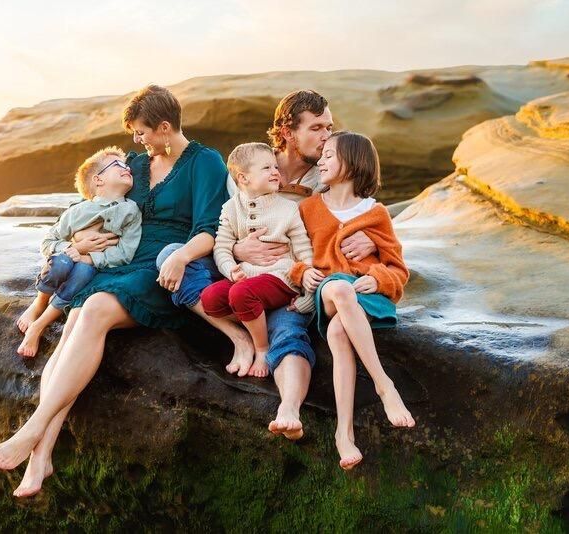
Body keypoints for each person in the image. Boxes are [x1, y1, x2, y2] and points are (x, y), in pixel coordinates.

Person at [0, 85, 229, 498]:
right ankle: (41, 453)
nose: (138, 142)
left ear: (165, 127)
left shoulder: (205, 164)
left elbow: (210, 228)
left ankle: (32, 429)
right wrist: (75, 246)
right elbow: (95, 204)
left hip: (163, 264)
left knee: (94, 308)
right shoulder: (134, 163)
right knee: (75, 319)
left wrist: (181, 256)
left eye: (142, 133)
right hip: (119, 258)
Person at [158, 90, 380, 441]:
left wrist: (373, 240)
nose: (327, 137)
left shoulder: (328, 172)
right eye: (318, 128)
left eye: (330, 128)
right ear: (289, 132)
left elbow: (364, 209)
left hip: (285, 280)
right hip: (237, 270)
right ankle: (238, 335)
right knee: (171, 254)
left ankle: (288, 409)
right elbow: (218, 225)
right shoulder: (249, 164)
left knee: (289, 331)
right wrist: (236, 252)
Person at [300, 131, 415, 470]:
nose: (320, 160)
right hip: (328, 289)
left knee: (338, 334)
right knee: (339, 289)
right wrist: (300, 273)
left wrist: (376, 277)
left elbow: (398, 269)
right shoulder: (308, 208)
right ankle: (384, 384)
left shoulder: (376, 213)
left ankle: (343, 434)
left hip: (364, 295)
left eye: (329, 155)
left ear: (352, 163)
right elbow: (295, 254)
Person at [200, 142, 315, 378]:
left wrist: (308, 295)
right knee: (209, 299)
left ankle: (262, 348)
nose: (275, 171)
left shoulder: (288, 209)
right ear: (243, 178)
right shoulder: (230, 208)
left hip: (280, 277)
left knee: (241, 294)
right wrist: (231, 269)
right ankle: (255, 317)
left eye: (275, 166)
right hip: (246, 277)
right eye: (266, 168)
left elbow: (305, 252)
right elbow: (221, 246)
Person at [15, 147, 142, 358]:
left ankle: (40, 325)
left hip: (92, 267)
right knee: (62, 263)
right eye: (118, 165)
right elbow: (48, 242)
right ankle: (38, 304)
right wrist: (74, 248)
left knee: (82, 272)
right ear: (98, 180)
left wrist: (90, 257)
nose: (126, 168)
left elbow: (125, 252)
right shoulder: (77, 212)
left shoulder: (131, 211)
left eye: (126, 165)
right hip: (66, 260)